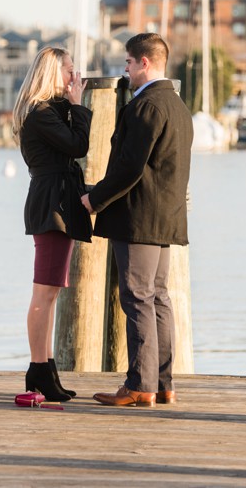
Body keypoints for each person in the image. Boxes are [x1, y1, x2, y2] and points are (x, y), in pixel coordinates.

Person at [81, 32, 193, 407]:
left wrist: (94, 199)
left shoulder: (145, 107)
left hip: (139, 217)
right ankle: (162, 384)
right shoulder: (178, 105)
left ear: (144, 62)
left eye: (128, 62)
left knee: (138, 298)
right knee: (159, 298)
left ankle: (139, 385)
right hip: (166, 217)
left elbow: (129, 167)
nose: (125, 70)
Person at [12, 46, 91, 402]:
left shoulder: (48, 111)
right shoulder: (41, 114)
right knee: (44, 291)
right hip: (51, 206)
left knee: (52, 290)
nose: (74, 77)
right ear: (51, 73)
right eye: (69, 70)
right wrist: (78, 105)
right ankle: (38, 367)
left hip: (59, 201)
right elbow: (78, 146)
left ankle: (44, 369)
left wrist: (71, 105)